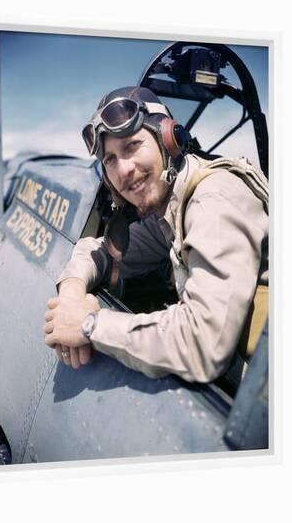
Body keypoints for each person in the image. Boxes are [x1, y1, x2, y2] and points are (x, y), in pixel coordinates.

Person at [43, 86, 269, 383]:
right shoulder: (170, 211)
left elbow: (204, 346)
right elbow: (102, 253)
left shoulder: (213, 200)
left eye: (132, 146)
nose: (123, 169)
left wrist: (89, 325)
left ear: (168, 140)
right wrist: (72, 293)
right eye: (110, 159)